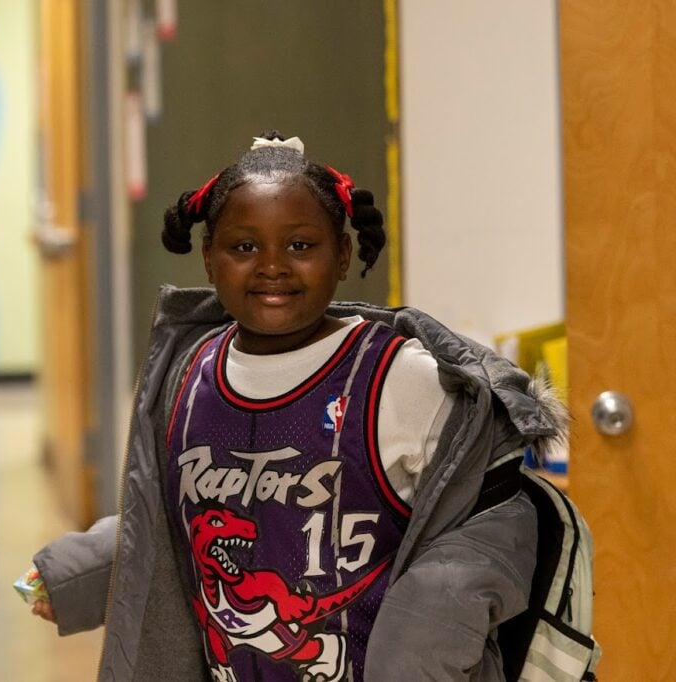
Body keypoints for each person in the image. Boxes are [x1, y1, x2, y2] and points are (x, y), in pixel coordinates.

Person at [28, 133, 564, 680]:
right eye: (243, 247)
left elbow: (481, 533)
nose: (272, 267)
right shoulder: (187, 376)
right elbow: (166, 519)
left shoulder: (400, 378)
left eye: (301, 246)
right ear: (209, 258)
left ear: (344, 255)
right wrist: (82, 574)